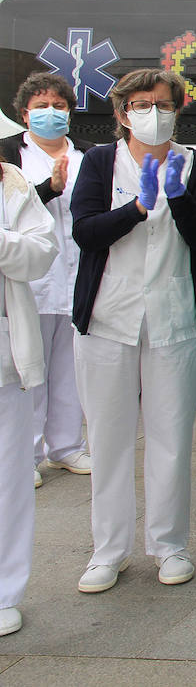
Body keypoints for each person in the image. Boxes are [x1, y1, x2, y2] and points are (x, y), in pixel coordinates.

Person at [70, 68, 196, 594]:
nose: (152, 112)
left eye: (162, 103)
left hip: (175, 317)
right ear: (121, 112)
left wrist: (176, 196)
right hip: (109, 317)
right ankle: (108, 550)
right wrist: (135, 208)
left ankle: (170, 544)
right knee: (108, 437)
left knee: (171, 437)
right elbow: (85, 232)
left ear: (178, 110)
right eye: (140, 103)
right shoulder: (99, 161)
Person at [1, 72, 93, 486]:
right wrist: (49, 188)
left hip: (77, 276)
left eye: (58, 106)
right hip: (30, 281)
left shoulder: (88, 156)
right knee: (29, 371)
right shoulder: (9, 156)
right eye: (41, 107)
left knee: (70, 370)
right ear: (24, 114)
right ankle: (28, 453)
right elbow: (13, 213)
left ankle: (66, 446)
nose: (50, 114)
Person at [0, 115, 61, 638]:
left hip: (4, 360)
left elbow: (41, 253)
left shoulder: (12, 185)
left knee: (9, 478)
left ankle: (3, 592)